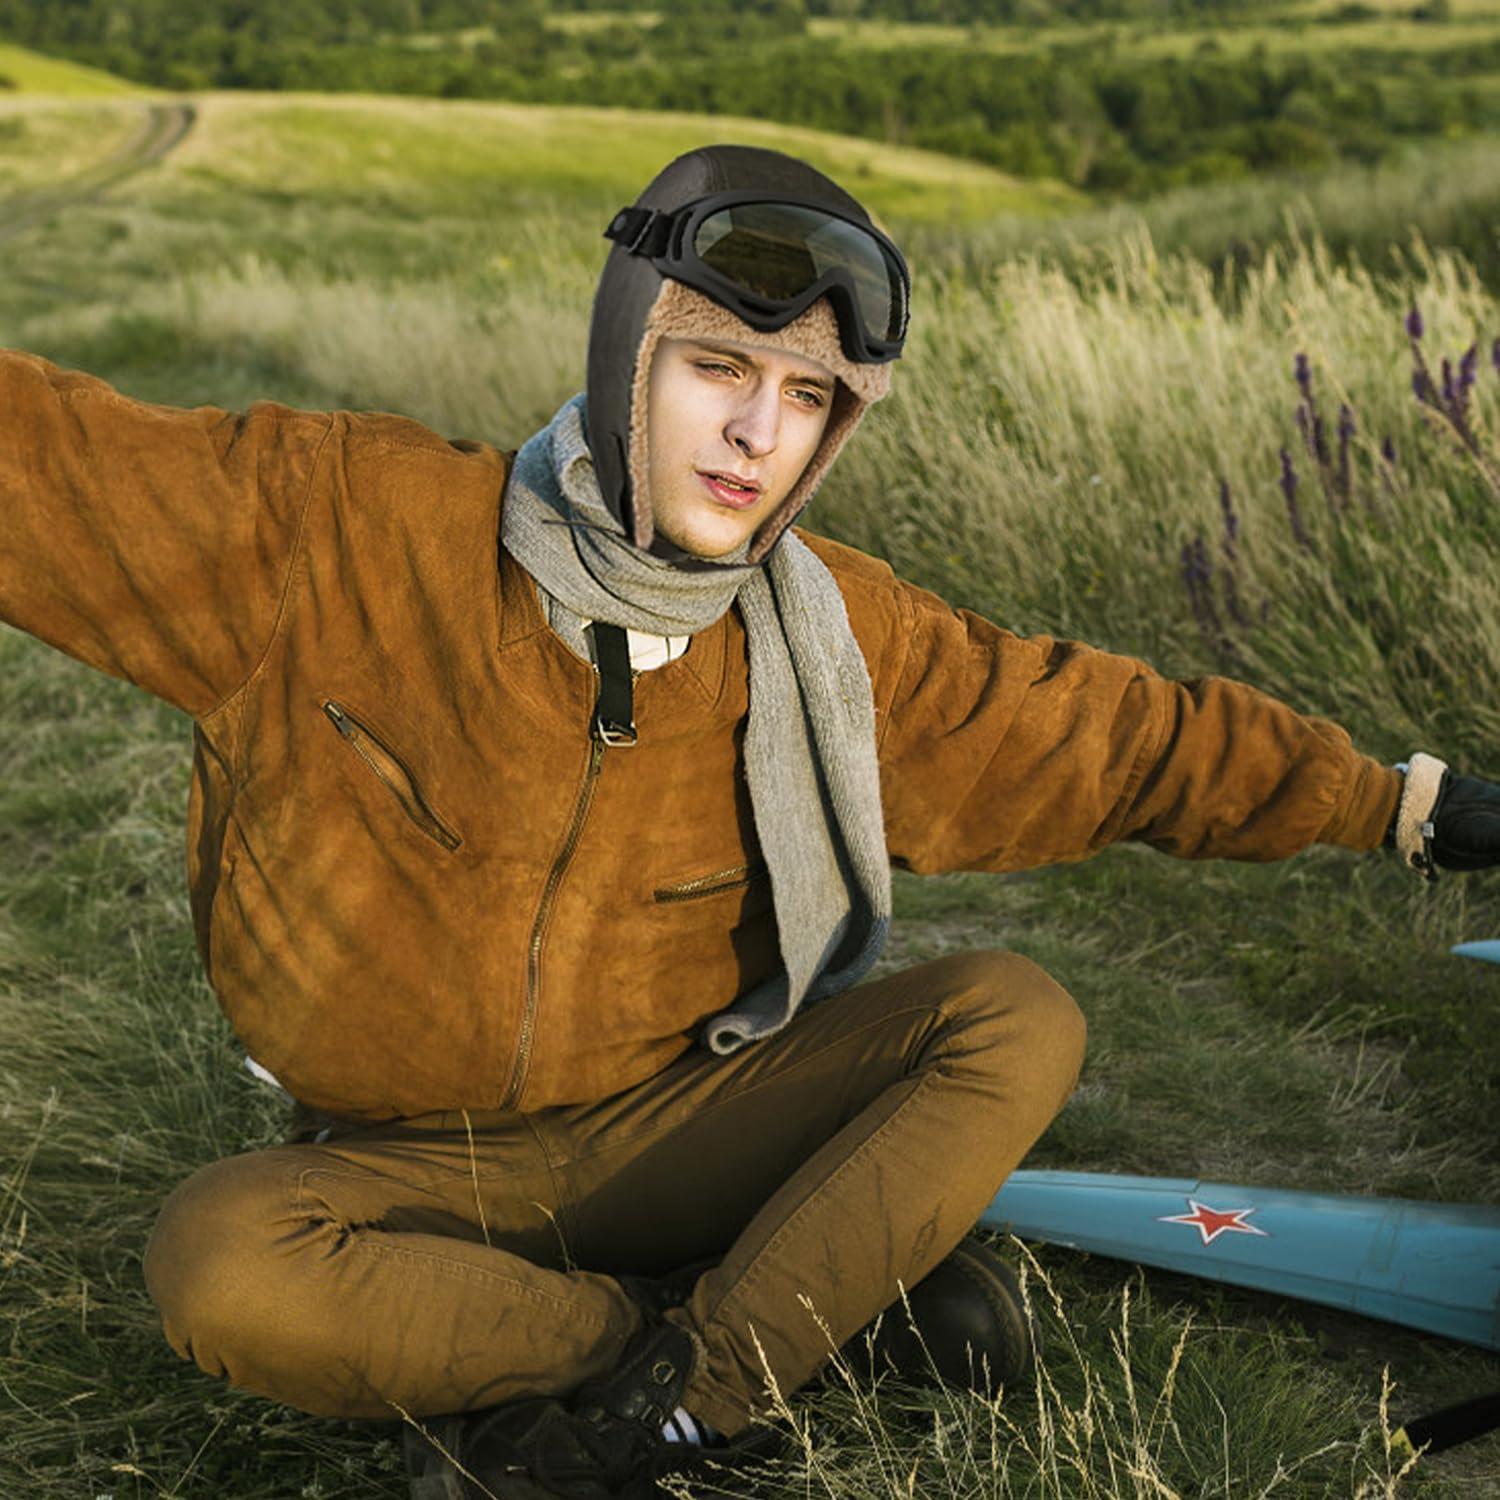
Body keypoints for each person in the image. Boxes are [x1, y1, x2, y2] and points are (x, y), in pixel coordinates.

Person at [1, 143, 1497, 1500]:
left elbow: (1098, 730)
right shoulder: (333, 531)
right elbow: (46, 469)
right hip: (398, 1171)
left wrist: (1395, 805)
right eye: (718, 368)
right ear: (625, 352)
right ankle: (732, 1330)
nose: (755, 436)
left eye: (807, 401)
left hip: (679, 1124)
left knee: (1012, 1013)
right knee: (218, 1264)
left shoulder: (840, 635)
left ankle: (683, 1402)